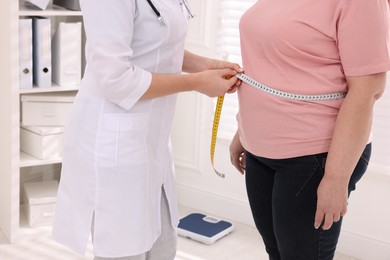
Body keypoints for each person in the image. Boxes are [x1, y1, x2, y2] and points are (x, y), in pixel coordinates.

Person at [52, 0, 242, 259]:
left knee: (163, 246)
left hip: (152, 141)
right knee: (124, 250)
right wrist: (196, 83)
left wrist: (206, 66)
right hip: (115, 143)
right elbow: (114, 79)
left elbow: (157, 42)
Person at [229, 1, 390, 259]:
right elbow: (274, 64)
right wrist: (243, 130)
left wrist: (336, 179)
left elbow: (367, 90)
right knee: (276, 252)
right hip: (260, 150)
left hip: (314, 156)